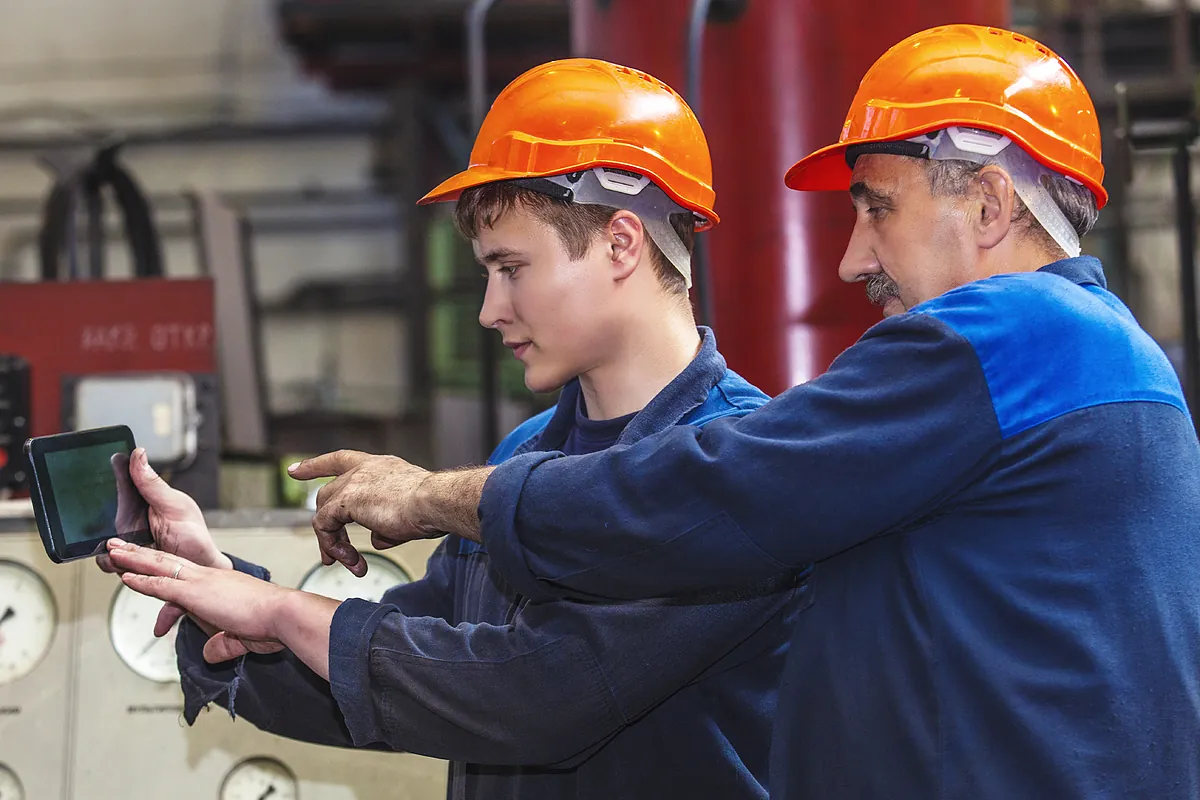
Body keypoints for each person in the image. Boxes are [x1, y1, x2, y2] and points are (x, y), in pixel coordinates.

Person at [256, 24, 1200, 800]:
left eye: (877, 209)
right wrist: (236, 615)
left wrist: (434, 499)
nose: (850, 260)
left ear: (991, 201)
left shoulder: (1011, 336)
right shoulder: (1105, 361)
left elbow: (720, 491)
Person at [105, 58, 806, 799]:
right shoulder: (524, 458)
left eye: (511, 267)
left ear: (621, 243)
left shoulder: (737, 471)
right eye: (485, 273)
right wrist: (213, 582)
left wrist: (281, 609)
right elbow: (409, 679)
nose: (489, 310)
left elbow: (539, 697)